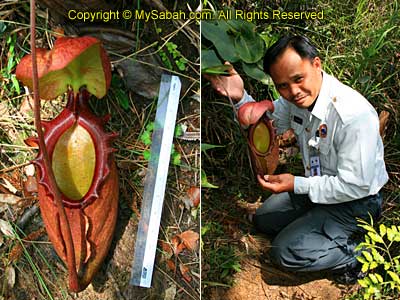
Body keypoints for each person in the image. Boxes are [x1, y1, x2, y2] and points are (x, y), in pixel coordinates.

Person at [205, 35, 388, 281]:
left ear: (316, 64)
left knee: (284, 251)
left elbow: (356, 185)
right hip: (318, 188)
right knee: (264, 220)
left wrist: (296, 184)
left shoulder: (353, 116)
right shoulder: (296, 101)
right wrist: (240, 98)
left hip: (357, 202)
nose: (293, 92)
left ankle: (358, 255)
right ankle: (314, 224)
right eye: (282, 85)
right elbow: (268, 126)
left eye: (298, 79)